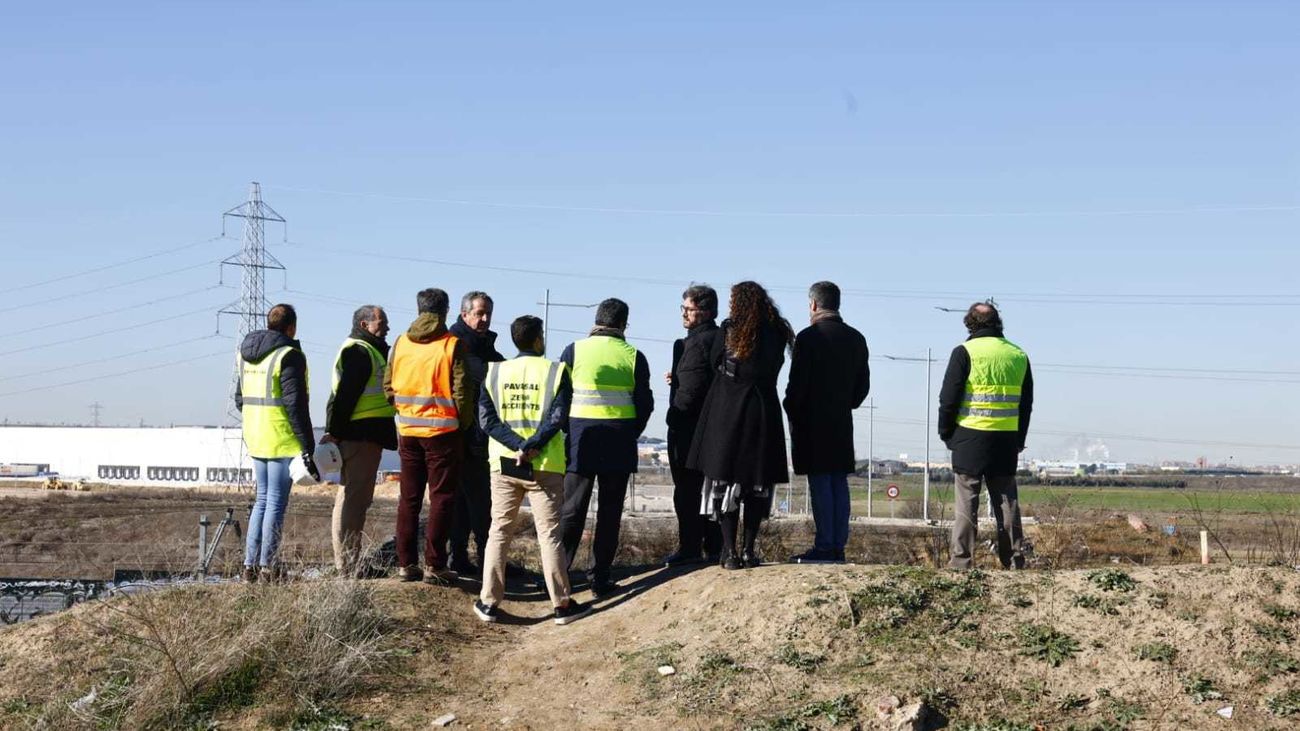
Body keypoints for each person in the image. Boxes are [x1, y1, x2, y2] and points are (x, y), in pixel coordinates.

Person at [474, 315, 592, 625]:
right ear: (538, 338)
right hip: (544, 465)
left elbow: (486, 421)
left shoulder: (494, 372)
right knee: (549, 535)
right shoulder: (555, 371)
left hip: (504, 464)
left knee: (499, 531)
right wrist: (532, 445)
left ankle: (488, 603)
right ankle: (562, 605)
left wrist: (516, 446)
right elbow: (558, 417)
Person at [687, 282, 793, 570]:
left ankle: (729, 552)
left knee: (725, 479)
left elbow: (714, 363)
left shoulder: (730, 329)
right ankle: (748, 550)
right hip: (763, 411)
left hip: (727, 411)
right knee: (756, 484)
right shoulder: (778, 332)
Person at [557, 298, 654, 597]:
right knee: (609, 514)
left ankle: (559, 576)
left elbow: (560, 399)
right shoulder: (635, 356)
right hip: (619, 443)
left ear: (597, 319)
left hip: (580, 441)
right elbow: (645, 405)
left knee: (571, 510)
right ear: (624, 324)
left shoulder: (573, 350)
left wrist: (569, 431)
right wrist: (629, 431)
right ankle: (599, 579)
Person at [384, 288, 472, 584]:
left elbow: (388, 385)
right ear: (446, 311)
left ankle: (406, 565)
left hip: (407, 432)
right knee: (441, 499)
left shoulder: (400, 343)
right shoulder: (452, 345)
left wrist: (403, 410)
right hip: (443, 434)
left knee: (408, 498)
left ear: (419, 309)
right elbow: (462, 393)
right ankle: (435, 565)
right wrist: (463, 425)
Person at [938, 302, 1034, 570]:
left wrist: (946, 433)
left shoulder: (964, 352)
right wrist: (1019, 439)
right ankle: (1014, 560)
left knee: (967, 501)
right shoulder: (1018, 355)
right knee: (1006, 502)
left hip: (969, 437)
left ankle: (961, 561)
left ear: (970, 323)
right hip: (1005, 439)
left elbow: (948, 399)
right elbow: (1026, 404)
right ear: (998, 322)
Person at [784, 281, 870, 564]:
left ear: (813, 304)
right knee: (838, 483)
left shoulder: (808, 339)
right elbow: (862, 388)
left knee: (820, 482)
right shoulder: (857, 338)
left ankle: (824, 547)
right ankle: (837, 546)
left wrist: (792, 409)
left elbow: (796, 387)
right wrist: (845, 403)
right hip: (841, 422)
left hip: (813, 422)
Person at [235, 303, 316, 582]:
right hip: (282, 437)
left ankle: (249, 567)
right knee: (275, 504)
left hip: (256, 435)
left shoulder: (244, 355)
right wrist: (307, 443)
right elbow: (296, 404)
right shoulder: (289, 355)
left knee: (262, 501)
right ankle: (268, 566)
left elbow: (239, 398)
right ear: (291, 327)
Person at [324, 305, 398, 578]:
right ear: (365, 324)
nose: (387, 326)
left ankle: (348, 563)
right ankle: (348, 566)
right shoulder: (359, 351)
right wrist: (336, 431)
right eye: (382, 321)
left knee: (351, 499)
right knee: (353, 502)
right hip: (360, 436)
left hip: (364, 435)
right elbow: (345, 397)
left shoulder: (367, 349)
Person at [662, 284, 723, 566]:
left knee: (687, 492)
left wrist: (673, 418)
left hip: (690, 431)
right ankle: (715, 546)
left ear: (706, 311)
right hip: (714, 428)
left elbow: (692, 390)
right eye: (683, 308)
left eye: (689, 309)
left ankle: (689, 547)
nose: (684, 314)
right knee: (711, 491)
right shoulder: (721, 338)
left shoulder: (696, 343)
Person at [447, 291, 505, 576]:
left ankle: (465, 559)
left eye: (488, 314)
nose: (484, 319)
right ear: (464, 313)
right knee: (478, 502)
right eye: (480, 313)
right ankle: (483, 561)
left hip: (476, 435)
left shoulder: (483, 345)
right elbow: (485, 376)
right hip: (465, 435)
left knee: (467, 502)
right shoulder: (458, 345)